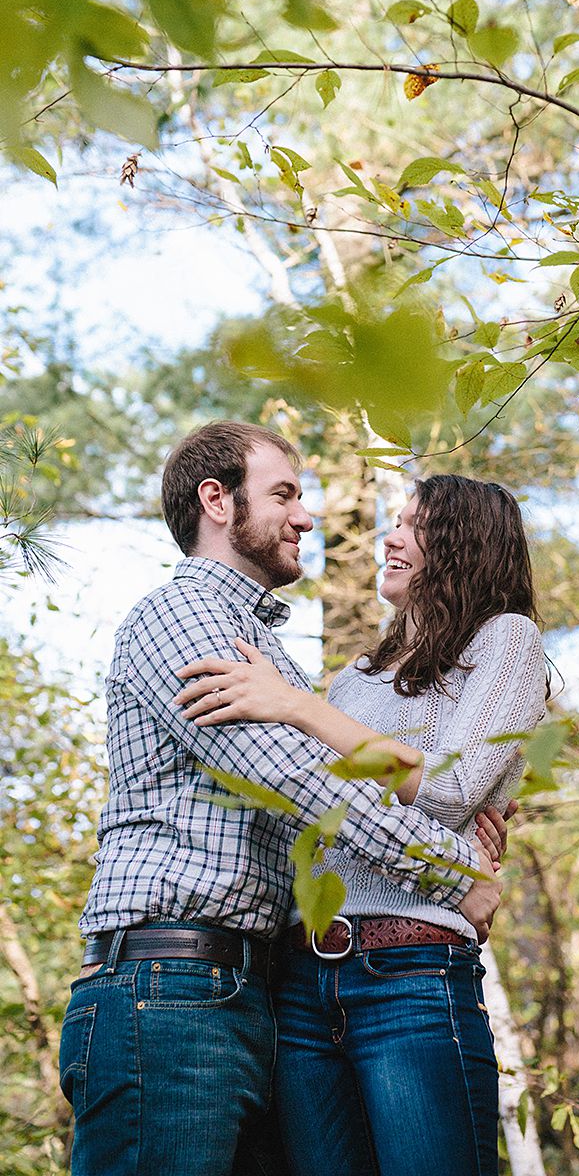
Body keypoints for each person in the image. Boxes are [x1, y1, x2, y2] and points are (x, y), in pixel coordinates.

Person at [59, 423, 503, 1176]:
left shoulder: (273, 660)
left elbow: (337, 799)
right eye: (285, 495)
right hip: (169, 991)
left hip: (245, 994)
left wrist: (460, 809)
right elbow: (294, 779)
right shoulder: (185, 617)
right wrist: (459, 870)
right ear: (217, 502)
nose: (305, 517)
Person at [175, 473, 548, 1176]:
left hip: (410, 973)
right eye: (395, 521)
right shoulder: (353, 680)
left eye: (413, 526)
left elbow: (453, 787)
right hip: (303, 985)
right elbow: (316, 811)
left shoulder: (506, 640)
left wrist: (296, 706)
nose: (391, 536)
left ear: (465, 545)